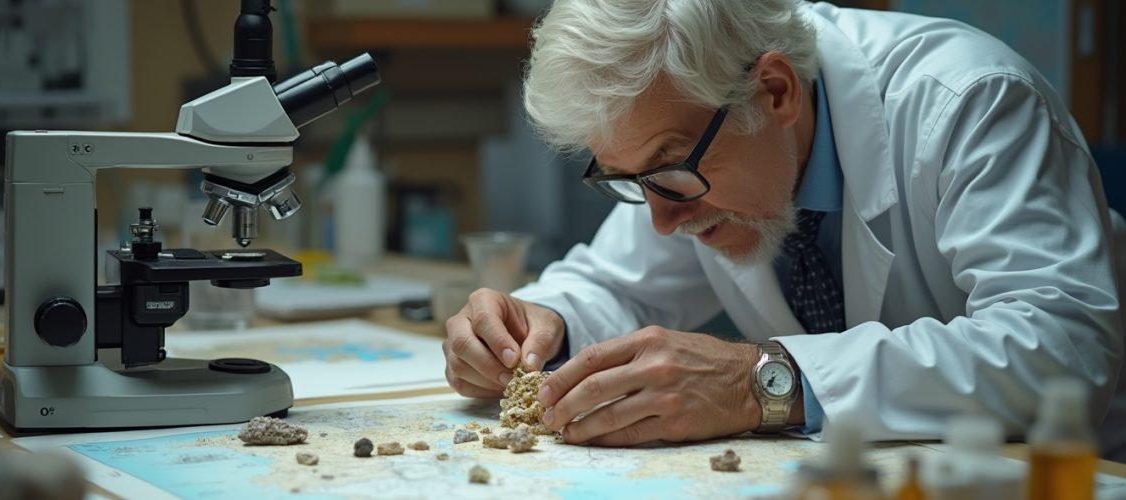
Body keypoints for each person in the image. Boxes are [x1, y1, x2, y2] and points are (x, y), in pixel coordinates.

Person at [442, 0, 1126, 460]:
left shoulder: (968, 102)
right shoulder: (703, 143)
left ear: (775, 92)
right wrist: (538, 323)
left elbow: (1063, 345)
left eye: (668, 170)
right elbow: (616, 287)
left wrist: (763, 382)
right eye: (628, 178)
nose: (660, 218)